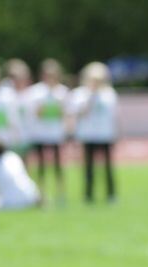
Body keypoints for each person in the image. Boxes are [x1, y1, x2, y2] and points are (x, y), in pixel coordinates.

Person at [69, 62, 118, 203]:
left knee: (108, 167)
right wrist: (91, 97)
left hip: (105, 135)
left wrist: (116, 134)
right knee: (88, 167)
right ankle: (88, 195)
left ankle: (111, 194)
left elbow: (113, 117)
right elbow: (79, 114)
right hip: (88, 135)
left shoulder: (109, 94)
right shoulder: (80, 94)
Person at [25, 59, 69, 204]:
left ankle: (60, 193)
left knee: (58, 166)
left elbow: (64, 113)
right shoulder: (36, 92)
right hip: (40, 134)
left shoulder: (62, 92)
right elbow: (36, 113)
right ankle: (41, 193)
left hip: (55, 134)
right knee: (41, 166)